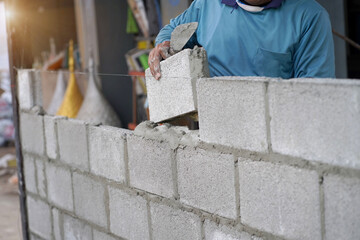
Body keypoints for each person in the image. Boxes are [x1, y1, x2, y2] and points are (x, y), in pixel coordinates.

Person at [148, 0, 335, 80]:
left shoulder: (310, 16)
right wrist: (164, 46)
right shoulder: (207, 4)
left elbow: (313, 91)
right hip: (212, 129)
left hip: (273, 136)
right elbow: (171, 32)